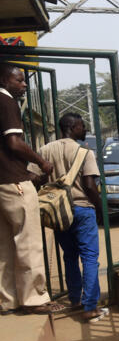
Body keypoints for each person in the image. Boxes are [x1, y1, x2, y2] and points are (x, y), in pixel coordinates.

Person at [28, 113, 106, 322]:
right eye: (82, 126)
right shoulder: (83, 152)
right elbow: (89, 186)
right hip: (82, 208)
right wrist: (100, 209)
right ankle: (90, 307)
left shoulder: (44, 150)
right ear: (73, 127)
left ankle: (75, 299)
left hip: (57, 212)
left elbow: (32, 178)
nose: (85, 129)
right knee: (89, 258)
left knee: (70, 257)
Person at [0, 63, 64, 315]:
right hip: (15, 184)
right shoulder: (7, 102)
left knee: (4, 245)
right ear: (5, 80)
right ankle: (34, 299)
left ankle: (7, 300)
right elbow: (14, 143)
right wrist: (41, 162)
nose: (24, 84)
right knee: (28, 242)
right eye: (20, 80)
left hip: (2, 181)